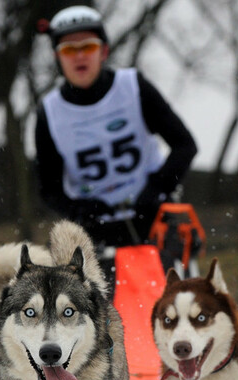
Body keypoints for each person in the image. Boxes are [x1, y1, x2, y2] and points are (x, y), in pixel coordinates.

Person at [34, 5, 198, 249]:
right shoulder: (49, 112)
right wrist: (79, 209)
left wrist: (157, 188)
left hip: (154, 222)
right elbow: (49, 188)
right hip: (93, 235)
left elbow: (185, 145)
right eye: (69, 49)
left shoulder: (134, 87)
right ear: (58, 57)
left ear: (104, 51)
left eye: (88, 46)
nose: (79, 56)